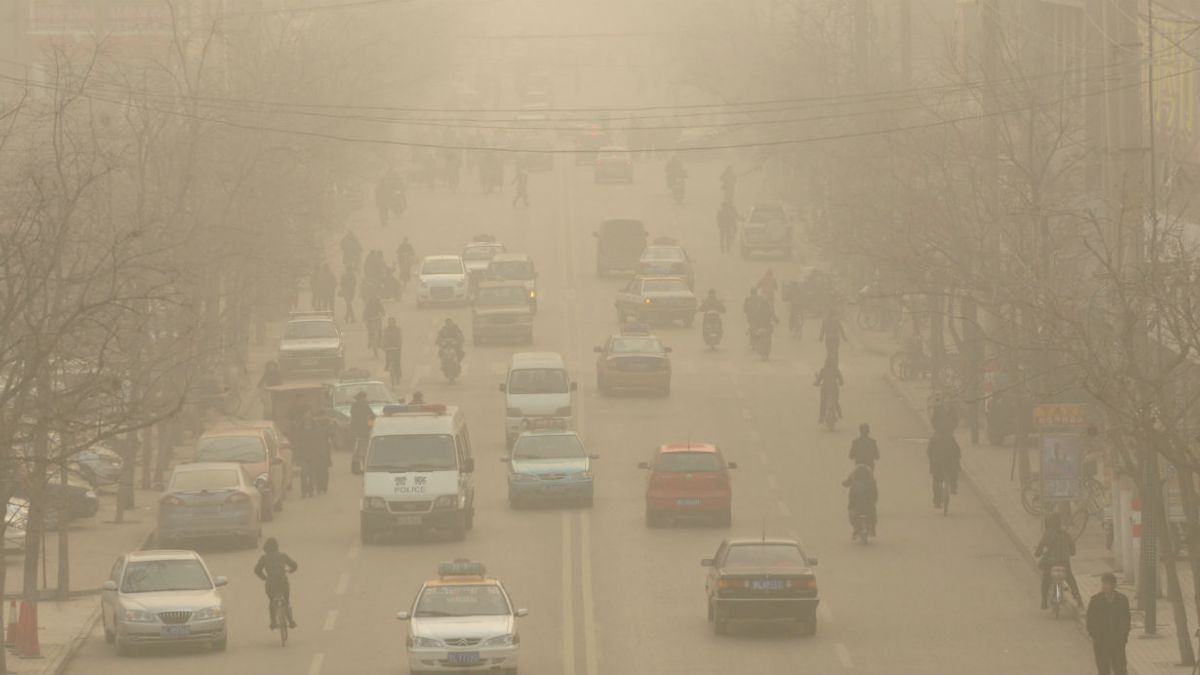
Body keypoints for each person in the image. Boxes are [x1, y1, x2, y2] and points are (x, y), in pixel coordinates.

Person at [1035, 513, 1083, 608]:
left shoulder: (1047, 534)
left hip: (1050, 564)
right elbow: (1073, 551)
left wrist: (1038, 553)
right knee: (1071, 580)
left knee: (1045, 580)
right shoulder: (1066, 534)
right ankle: (1078, 598)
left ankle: (1044, 601)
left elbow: (1039, 549)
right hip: (1064, 563)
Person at [1087, 572, 1131, 675]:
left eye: (1107, 584)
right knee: (1103, 670)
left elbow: (1126, 619)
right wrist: (1095, 635)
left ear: (1114, 586)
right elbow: (1090, 620)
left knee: (1120, 669)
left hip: (1117, 641)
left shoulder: (1122, 600)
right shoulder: (1095, 600)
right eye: (1103, 584)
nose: (1104, 586)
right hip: (1101, 642)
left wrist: (1124, 636)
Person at [254, 538, 298, 630]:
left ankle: (273, 622)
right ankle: (291, 621)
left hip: (270, 584)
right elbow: (294, 565)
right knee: (286, 601)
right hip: (283, 582)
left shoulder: (264, 558)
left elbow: (257, 570)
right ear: (277, 547)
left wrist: (264, 578)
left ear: (265, 548)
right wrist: (290, 571)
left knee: (272, 601)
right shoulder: (283, 556)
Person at [926, 429, 961, 508]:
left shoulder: (934, 439)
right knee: (954, 469)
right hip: (949, 463)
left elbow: (929, 452)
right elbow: (957, 452)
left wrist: (932, 460)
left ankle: (937, 501)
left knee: (936, 481)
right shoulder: (950, 438)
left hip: (937, 463)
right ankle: (953, 486)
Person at [841, 463, 878, 536]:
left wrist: (850, 505)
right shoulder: (871, 483)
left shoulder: (854, 485)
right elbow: (875, 495)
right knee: (873, 515)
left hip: (857, 507)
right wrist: (873, 502)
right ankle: (872, 528)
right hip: (869, 506)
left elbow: (851, 496)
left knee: (852, 514)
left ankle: (855, 528)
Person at [349, 390, 375, 474]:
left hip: (356, 432)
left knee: (357, 451)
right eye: (365, 397)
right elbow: (372, 416)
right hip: (362, 432)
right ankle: (363, 468)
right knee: (363, 451)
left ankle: (356, 469)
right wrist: (370, 424)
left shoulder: (354, 406)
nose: (366, 399)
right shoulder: (364, 406)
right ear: (361, 398)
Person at [814, 356, 843, 425]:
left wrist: (816, 383)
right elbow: (841, 381)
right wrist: (840, 383)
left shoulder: (823, 370)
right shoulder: (836, 370)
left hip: (825, 389)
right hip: (834, 389)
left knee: (823, 403)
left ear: (826, 363)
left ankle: (821, 418)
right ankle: (840, 414)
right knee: (835, 401)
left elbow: (818, 381)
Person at [382, 317, 403, 387]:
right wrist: (384, 346)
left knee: (397, 362)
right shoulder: (386, 330)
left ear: (394, 323)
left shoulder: (398, 330)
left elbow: (399, 339)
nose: (391, 324)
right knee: (387, 359)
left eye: (392, 322)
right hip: (388, 347)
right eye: (389, 322)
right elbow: (384, 339)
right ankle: (387, 365)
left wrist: (398, 346)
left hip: (396, 348)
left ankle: (398, 376)